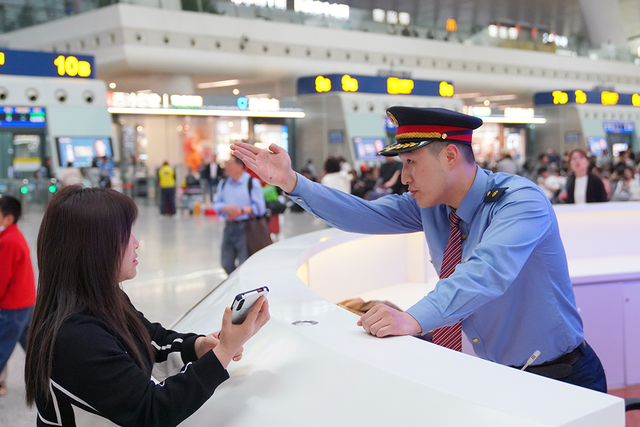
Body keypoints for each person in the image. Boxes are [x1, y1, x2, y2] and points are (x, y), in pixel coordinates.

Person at [230, 106, 607, 393]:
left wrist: (413, 318)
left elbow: (485, 272)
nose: (404, 177)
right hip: (502, 375)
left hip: (563, 377)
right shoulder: (434, 206)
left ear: (450, 156)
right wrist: (292, 182)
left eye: (411, 162)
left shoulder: (518, 201)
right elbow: (363, 214)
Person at [24, 186, 269, 426]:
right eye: (125, 234)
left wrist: (200, 346)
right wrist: (224, 352)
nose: (137, 242)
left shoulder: (105, 298)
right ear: (93, 248)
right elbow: (150, 411)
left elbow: (151, 340)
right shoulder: (76, 336)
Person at [0, 195, 36, 397]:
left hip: (13, 305)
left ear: (9, 218)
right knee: (30, 343)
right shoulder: (14, 236)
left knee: (2, 344)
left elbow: (2, 277)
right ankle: (49, 374)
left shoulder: (8, 241)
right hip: (25, 301)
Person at [214, 156, 267, 275]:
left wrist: (241, 211)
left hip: (246, 228)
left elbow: (260, 208)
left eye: (229, 164)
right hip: (229, 227)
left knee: (245, 262)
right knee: (226, 262)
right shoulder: (223, 183)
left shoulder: (251, 183)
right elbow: (216, 204)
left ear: (240, 166)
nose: (226, 167)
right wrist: (228, 209)